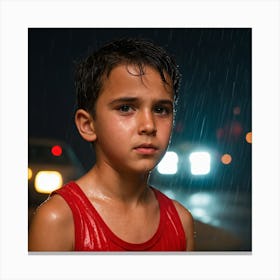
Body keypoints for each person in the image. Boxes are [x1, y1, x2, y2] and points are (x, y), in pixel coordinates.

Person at [28, 38, 195, 251]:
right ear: (88, 125)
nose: (148, 125)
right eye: (126, 108)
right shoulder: (59, 220)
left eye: (161, 109)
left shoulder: (181, 222)